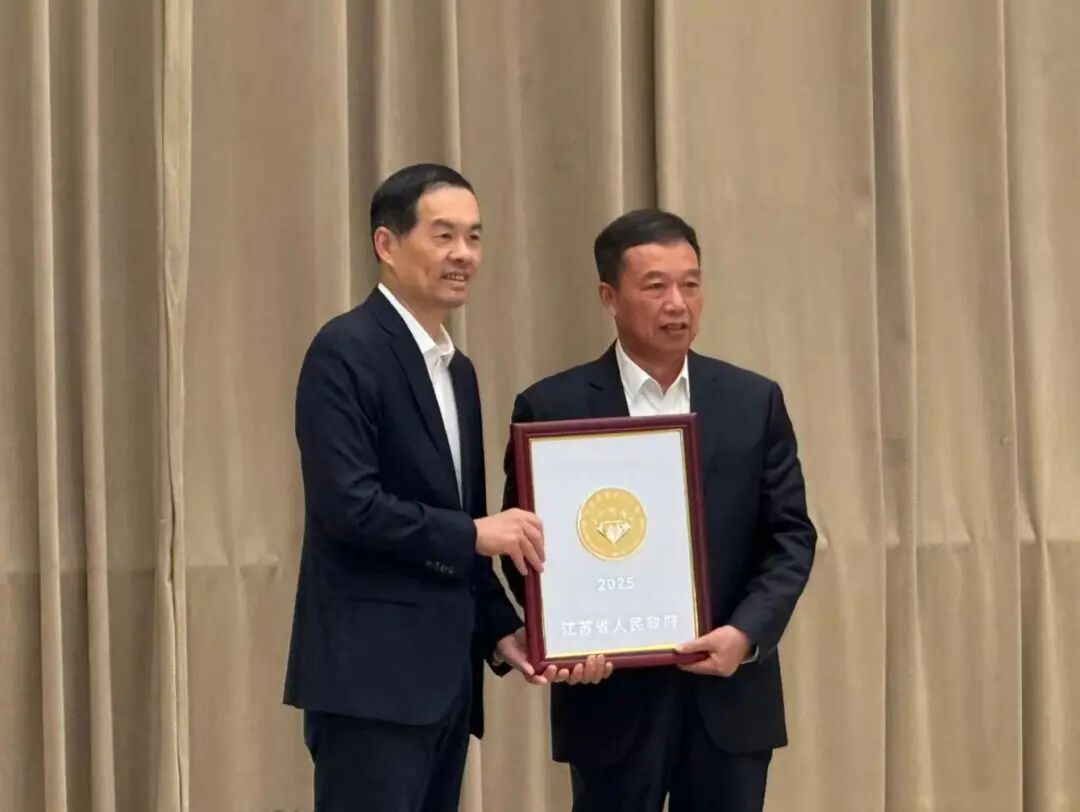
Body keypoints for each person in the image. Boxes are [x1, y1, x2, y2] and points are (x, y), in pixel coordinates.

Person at [501, 208, 817, 812]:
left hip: (729, 704)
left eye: (691, 284)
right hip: (610, 706)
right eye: (655, 286)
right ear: (609, 297)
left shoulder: (752, 400)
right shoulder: (551, 407)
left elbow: (791, 537)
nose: (678, 303)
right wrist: (565, 632)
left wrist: (746, 633)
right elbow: (522, 546)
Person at [284, 163, 553, 812]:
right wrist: (475, 533)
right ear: (386, 243)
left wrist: (502, 630)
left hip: (445, 684)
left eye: (474, 237)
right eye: (443, 235)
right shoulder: (344, 350)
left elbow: (462, 523)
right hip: (369, 685)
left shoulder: (459, 372)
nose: (464, 254)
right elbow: (348, 507)